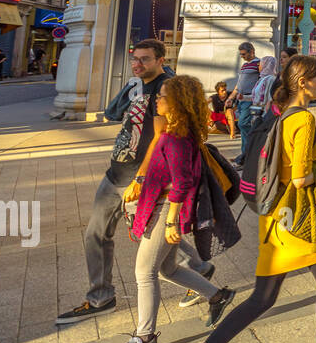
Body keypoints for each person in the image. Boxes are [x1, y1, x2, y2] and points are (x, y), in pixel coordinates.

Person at [149, 56, 316, 343]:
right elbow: (300, 178)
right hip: (301, 222)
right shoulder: (304, 119)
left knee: (261, 298)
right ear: (303, 83)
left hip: (275, 223)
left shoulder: (277, 112)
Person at [56, 39, 216, 324]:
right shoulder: (137, 84)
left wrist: (142, 177)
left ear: (160, 60)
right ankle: (101, 295)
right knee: (98, 233)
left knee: (151, 239)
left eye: (144, 59)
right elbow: (112, 113)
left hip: (140, 178)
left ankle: (196, 274)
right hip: (116, 171)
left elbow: (160, 138)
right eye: (134, 58)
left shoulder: (167, 89)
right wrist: (131, 87)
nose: (137, 63)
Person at [104, 76, 237, 343]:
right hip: (161, 204)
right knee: (166, 269)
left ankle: (145, 338)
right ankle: (217, 296)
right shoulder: (177, 131)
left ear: (178, 101)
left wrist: (170, 222)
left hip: (165, 208)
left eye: (163, 96)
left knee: (144, 272)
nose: (157, 100)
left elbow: (182, 182)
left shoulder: (176, 137)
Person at [227, 42, 262, 152]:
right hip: (240, 100)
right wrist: (231, 98)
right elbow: (239, 84)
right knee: (243, 127)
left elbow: (262, 82)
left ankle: (249, 151)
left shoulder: (259, 64)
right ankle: (244, 153)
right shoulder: (245, 65)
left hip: (249, 99)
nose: (242, 56)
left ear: (251, 52)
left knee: (243, 124)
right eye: (240, 54)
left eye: (243, 54)